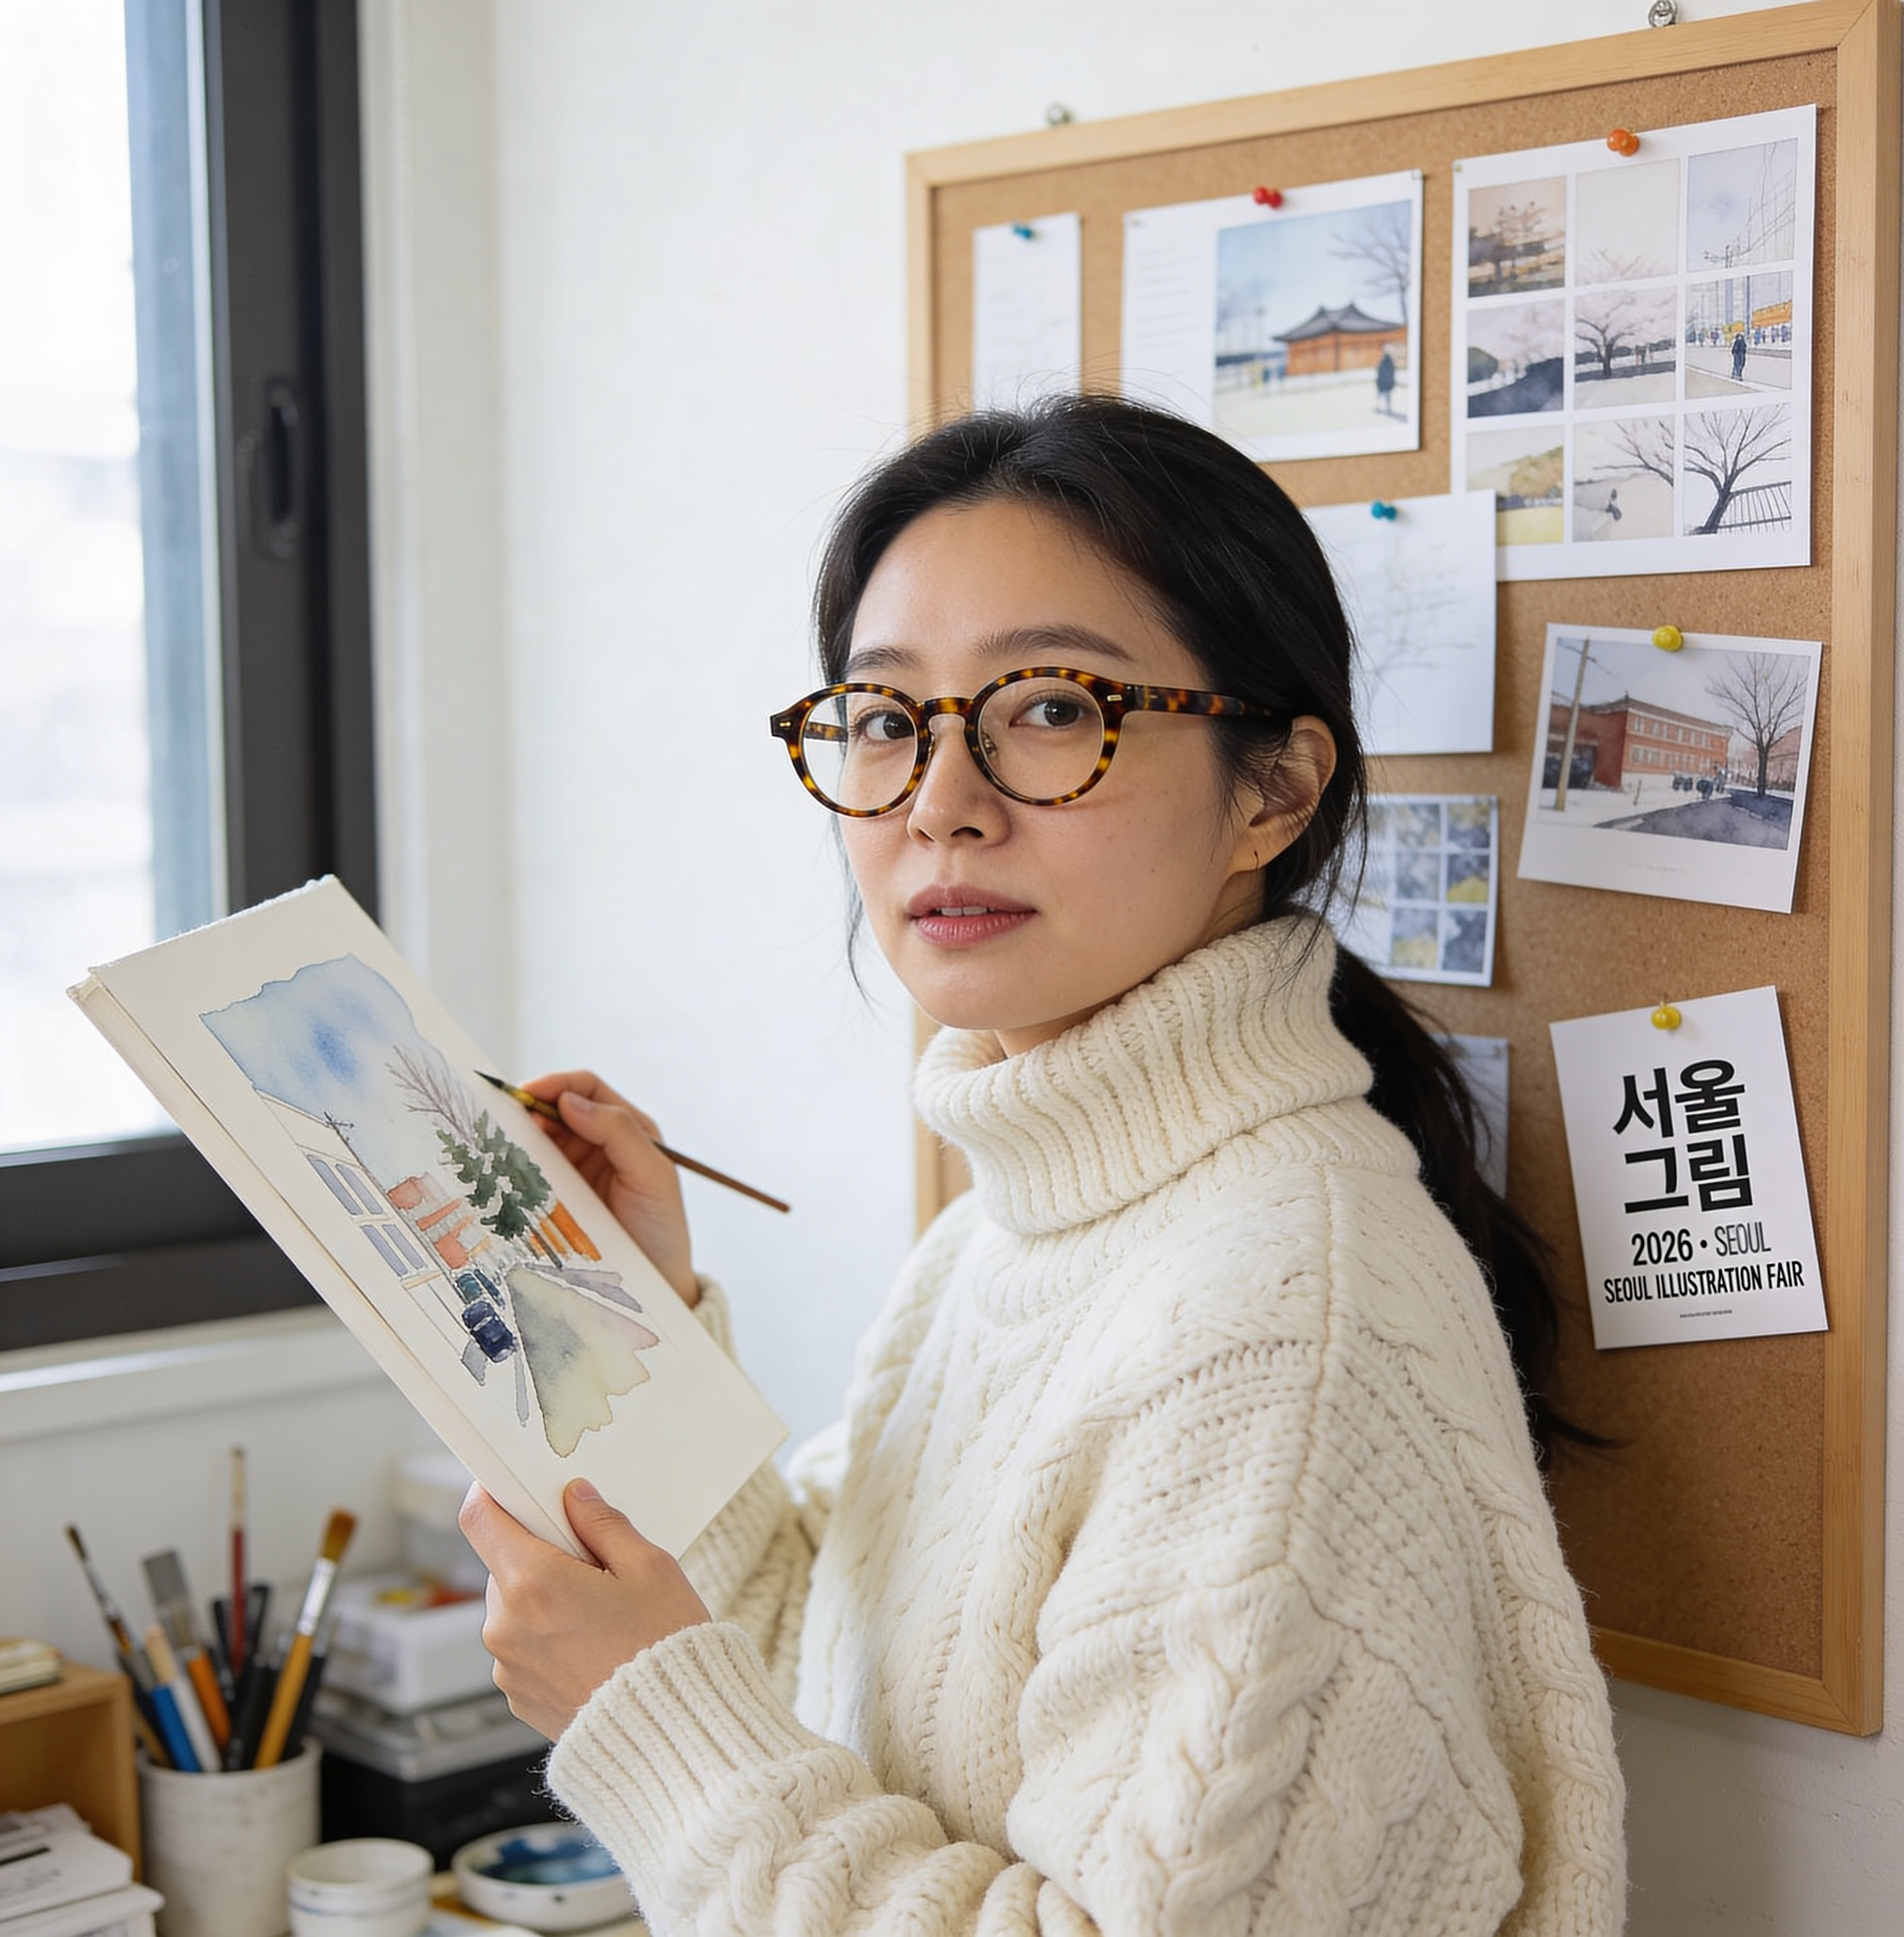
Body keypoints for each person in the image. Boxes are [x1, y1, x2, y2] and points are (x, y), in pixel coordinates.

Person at [459, 395, 1627, 1936]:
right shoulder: (1013, 1224)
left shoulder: (1281, 1331)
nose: (942, 802)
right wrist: (644, 1316)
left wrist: (649, 1718)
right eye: (886, 720)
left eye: (1054, 708)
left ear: (1273, 791)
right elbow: (842, 1678)